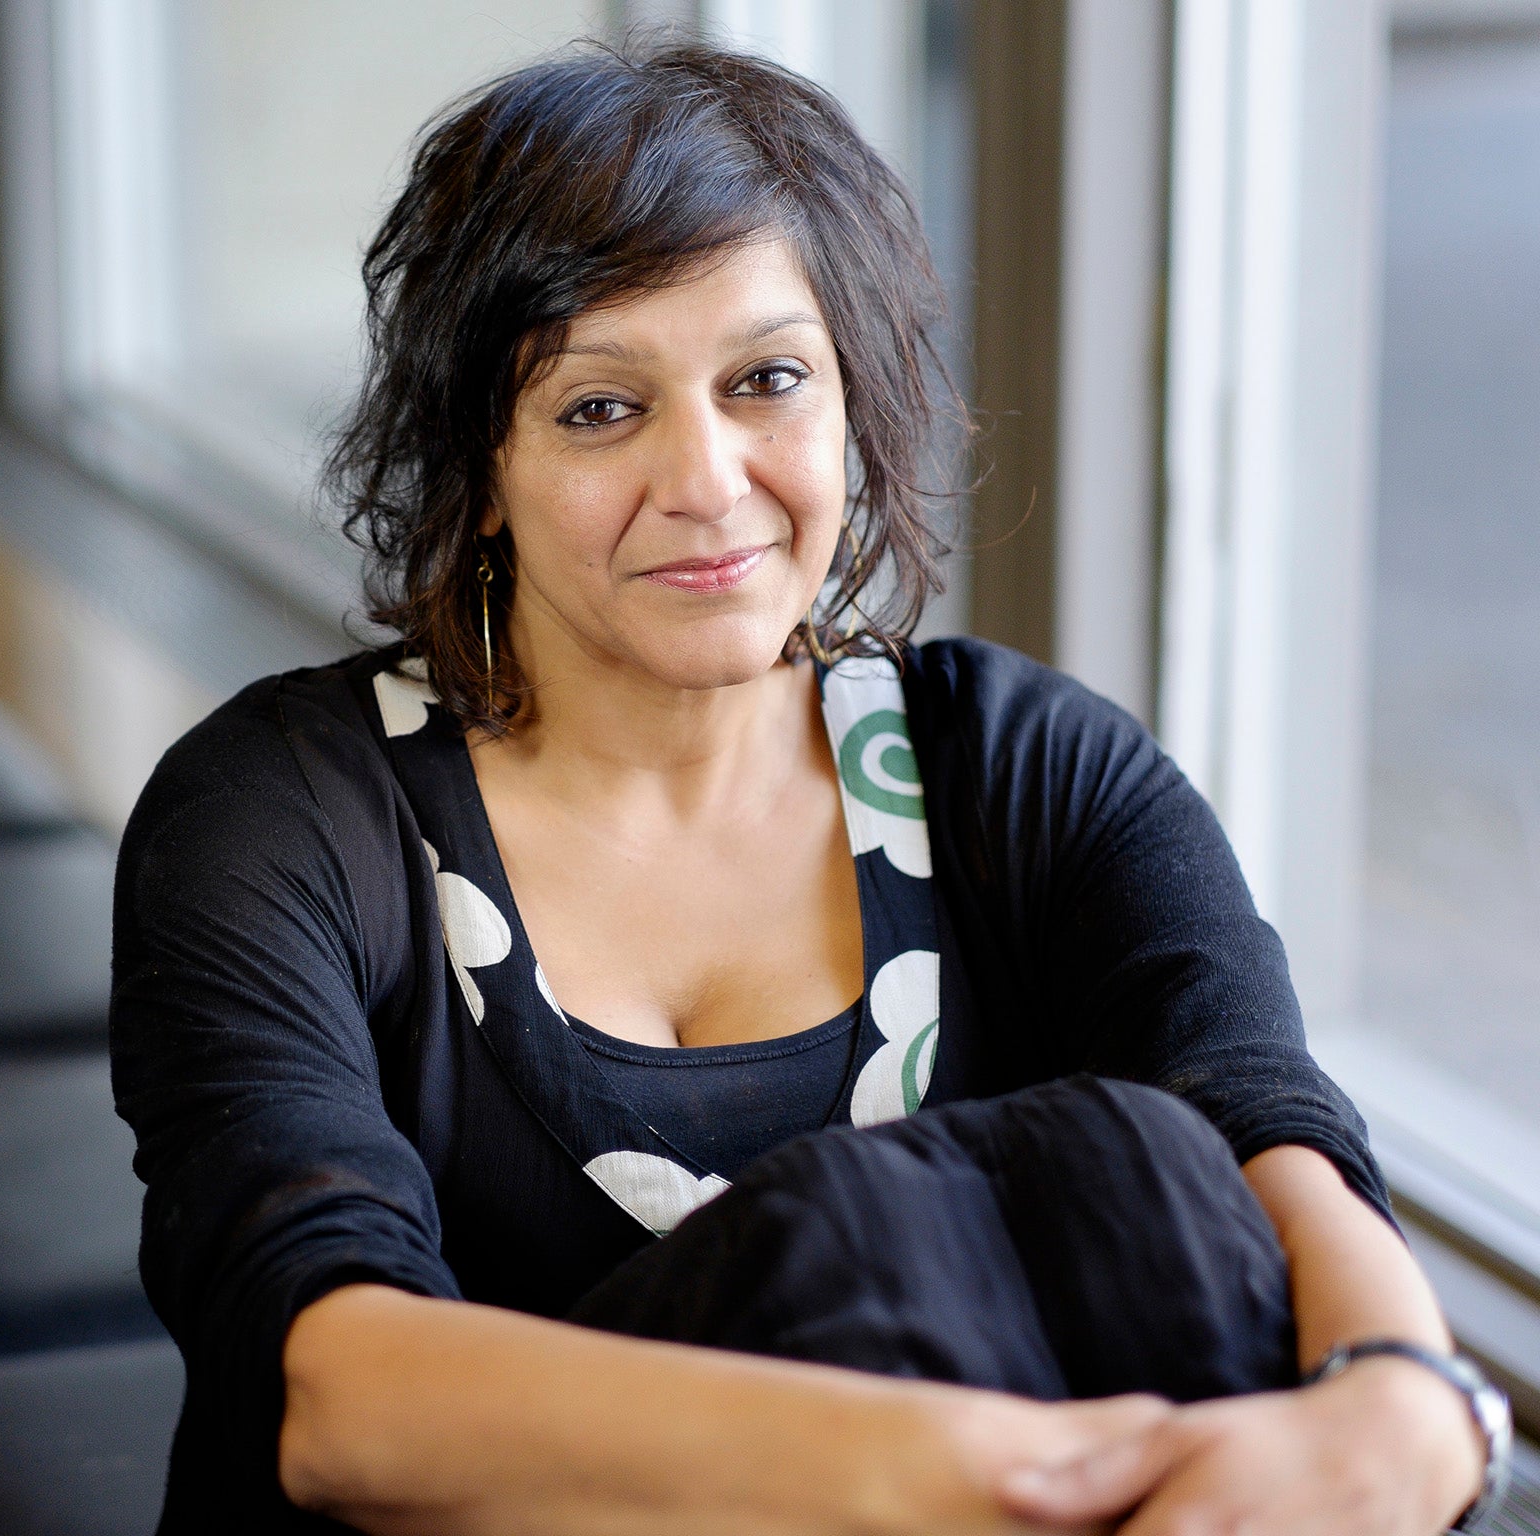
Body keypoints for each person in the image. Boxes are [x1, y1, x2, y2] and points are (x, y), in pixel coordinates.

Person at [110, 42, 1497, 1536]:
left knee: (1168, 1176)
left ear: (854, 402)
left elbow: (1267, 1127)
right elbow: (331, 1392)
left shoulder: (1021, 765)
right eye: (598, 409)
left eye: (767, 379)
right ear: (480, 461)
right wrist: (945, 1468)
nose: (707, 480)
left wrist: (1409, 1402)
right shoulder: (278, 818)